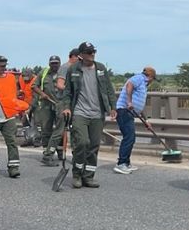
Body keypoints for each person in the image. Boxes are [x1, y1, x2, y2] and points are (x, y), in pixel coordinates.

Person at [60, 42, 116, 188]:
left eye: (93, 52)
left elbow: (109, 89)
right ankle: (77, 174)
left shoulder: (101, 68)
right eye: (88, 52)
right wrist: (66, 107)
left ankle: (88, 176)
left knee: (93, 146)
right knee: (82, 142)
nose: (92, 55)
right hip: (79, 112)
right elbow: (67, 92)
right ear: (81, 55)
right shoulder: (74, 69)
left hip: (97, 113)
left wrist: (113, 107)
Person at [114, 66, 156, 174]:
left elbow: (140, 107)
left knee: (130, 138)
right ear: (150, 77)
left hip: (130, 113)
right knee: (129, 137)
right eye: (153, 79)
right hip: (124, 111)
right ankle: (121, 164)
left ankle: (126, 163)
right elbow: (129, 85)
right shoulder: (139, 78)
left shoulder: (143, 85)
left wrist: (146, 121)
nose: (152, 81)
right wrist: (129, 102)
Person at [34, 55, 63, 166]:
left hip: (60, 104)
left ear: (59, 63)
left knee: (60, 130)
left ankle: (60, 152)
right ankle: (47, 152)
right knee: (46, 129)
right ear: (49, 64)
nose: (54, 65)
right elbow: (34, 86)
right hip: (47, 104)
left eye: (56, 63)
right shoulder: (44, 73)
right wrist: (42, 94)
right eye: (52, 63)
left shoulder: (64, 73)